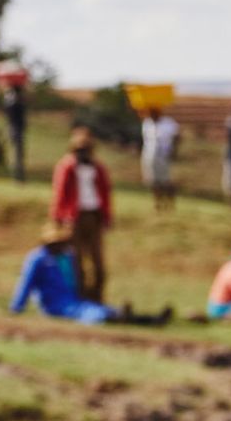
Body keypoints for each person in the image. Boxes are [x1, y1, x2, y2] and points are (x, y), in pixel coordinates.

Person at [9, 224, 171, 325]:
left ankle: (151, 319)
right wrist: (17, 307)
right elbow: (26, 283)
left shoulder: (67, 256)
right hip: (55, 305)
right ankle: (121, 317)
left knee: (104, 309)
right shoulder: (38, 258)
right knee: (92, 314)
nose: (62, 245)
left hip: (75, 300)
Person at [50, 125, 114, 303]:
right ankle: (79, 297)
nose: (83, 153)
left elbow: (106, 193)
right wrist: (56, 218)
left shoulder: (97, 168)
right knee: (76, 261)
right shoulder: (66, 167)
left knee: (98, 263)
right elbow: (59, 193)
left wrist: (107, 217)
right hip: (73, 219)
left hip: (93, 217)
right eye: (79, 149)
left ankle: (97, 298)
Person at [140, 108, 180, 210]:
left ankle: (170, 202)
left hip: (164, 156)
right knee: (153, 181)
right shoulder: (147, 123)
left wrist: (174, 151)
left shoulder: (169, 123)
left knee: (165, 181)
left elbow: (177, 137)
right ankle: (157, 203)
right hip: (149, 156)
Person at [0, 78, 28, 182]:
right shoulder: (14, 102)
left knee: (18, 154)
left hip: (14, 129)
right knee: (17, 154)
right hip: (15, 130)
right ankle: (17, 177)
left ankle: (18, 176)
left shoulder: (11, 100)